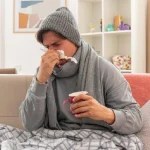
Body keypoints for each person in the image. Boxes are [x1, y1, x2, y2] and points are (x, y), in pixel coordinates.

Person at [19, 7, 142, 135]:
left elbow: (136, 119)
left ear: (74, 40)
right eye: (47, 47)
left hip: (98, 138)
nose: (51, 52)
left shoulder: (104, 69)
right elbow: (29, 125)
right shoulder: (44, 72)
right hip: (55, 138)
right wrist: (40, 80)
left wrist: (106, 113)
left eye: (56, 44)